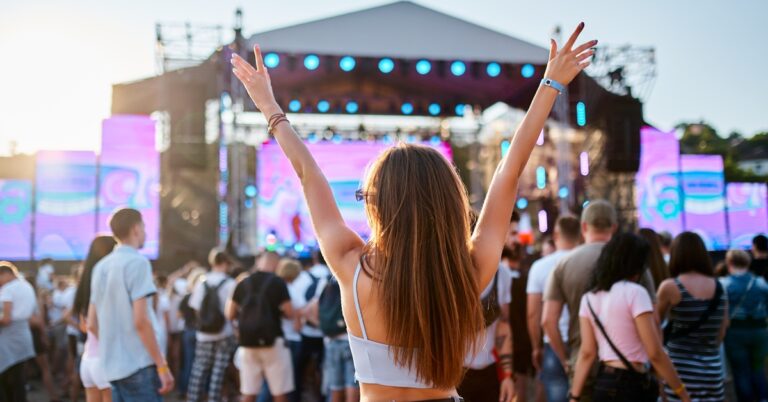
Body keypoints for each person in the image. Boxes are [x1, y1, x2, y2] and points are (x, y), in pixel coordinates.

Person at [230, 21, 596, 401]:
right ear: (449, 202)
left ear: (378, 204)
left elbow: (309, 174)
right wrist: (549, 85)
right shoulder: (466, 272)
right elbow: (509, 171)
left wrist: (269, 106)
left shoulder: (350, 263)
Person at [543, 201, 657, 400]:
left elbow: (548, 321)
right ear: (614, 227)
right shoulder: (634, 263)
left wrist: (566, 359)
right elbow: (653, 319)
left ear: (584, 227)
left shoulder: (563, 264)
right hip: (628, 370)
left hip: (582, 365)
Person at [569, 233, 690, 402]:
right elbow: (655, 353)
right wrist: (682, 392)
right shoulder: (636, 293)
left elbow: (587, 353)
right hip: (631, 384)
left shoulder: (589, 298)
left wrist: (574, 396)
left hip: (604, 382)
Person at [89, 208, 174, 401]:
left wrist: (115, 348)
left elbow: (92, 323)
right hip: (139, 366)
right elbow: (141, 321)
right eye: (144, 227)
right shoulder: (138, 263)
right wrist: (162, 366)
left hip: (112, 369)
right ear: (136, 229)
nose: (145, 232)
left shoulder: (100, 267)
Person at [656, 232, 727, 401]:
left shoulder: (670, 287)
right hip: (712, 370)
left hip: (679, 373)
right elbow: (723, 329)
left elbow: (654, 327)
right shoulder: (719, 287)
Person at [227, 254, 294, 402]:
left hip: (247, 343)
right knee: (279, 392)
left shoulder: (242, 282)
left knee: (248, 392)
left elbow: (229, 314)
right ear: (276, 264)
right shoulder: (278, 282)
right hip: (273, 341)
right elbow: (290, 312)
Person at [527, 216, 580, 402]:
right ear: (580, 234)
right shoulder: (586, 262)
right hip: (583, 342)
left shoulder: (539, 267)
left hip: (553, 344)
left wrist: (536, 347)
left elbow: (533, 314)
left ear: (556, 235)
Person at [459, 248, 515, 402]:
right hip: (452, 373)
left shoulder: (502, 274)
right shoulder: (446, 271)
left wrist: (507, 376)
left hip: (488, 371)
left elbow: (503, 326)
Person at [186, 250, 237, 402]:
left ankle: (193, 399)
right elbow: (232, 311)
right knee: (218, 372)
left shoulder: (202, 281)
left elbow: (196, 308)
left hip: (204, 333)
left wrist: (205, 322)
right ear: (226, 263)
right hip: (224, 332)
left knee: (199, 370)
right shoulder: (230, 283)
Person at [72, 236, 118, 402]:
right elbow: (91, 325)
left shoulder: (85, 285)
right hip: (105, 359)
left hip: (88, 360)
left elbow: (84, 326)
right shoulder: (106, 282)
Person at [721, 249, 768, 402]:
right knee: (758, 368)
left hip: (735, 331)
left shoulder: (724, 284)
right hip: (759, 330)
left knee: (741, 372)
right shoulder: (760, 282)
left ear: (729, 262)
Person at [296, 251, 332, 401]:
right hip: (328, 333)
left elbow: (301, 305)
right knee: (322, 368)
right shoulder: (334, 275)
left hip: (307, 331)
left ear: (315, 258)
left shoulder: (304, 276)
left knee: (301, 367)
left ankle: (302, 395)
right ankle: (320, 396)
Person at [0, 261, 37, 402]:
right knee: (19, 378)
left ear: (6, 274)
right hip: (23, 334)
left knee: (6, 378)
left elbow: (6, 319)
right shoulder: (27, 286)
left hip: (9, 337)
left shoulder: (8, 289)